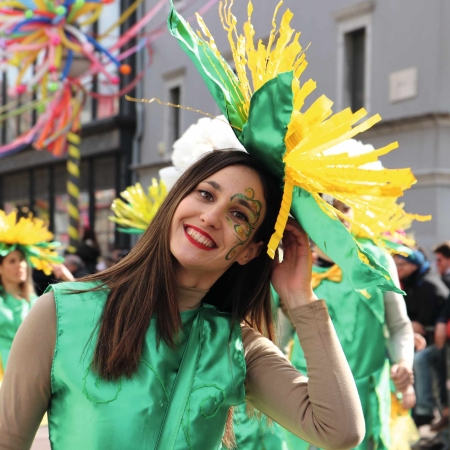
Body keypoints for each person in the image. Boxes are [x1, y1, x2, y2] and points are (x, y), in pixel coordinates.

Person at [0, 151, 365, 449]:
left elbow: (339, 431)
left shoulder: (238, 347)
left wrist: (301, 297)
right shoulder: (61, 313)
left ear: (250, 251)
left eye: (238, 214)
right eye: (206, 194)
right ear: (177, 201)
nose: (210, 217)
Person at [285, 199, 415, 450]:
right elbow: (276, 340)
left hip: (366, 399)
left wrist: (403, 363)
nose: (339, 214)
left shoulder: (376, 260)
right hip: (310, 400)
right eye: (326, 206)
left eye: (344, 205)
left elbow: (399, 325)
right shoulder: (290, 264)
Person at [0, 210, 63, 376]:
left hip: (32, 374)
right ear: (0, 268)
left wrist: (67, 278)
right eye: (12, 261)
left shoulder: (36, 302)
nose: (19, 265)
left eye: (21, 260)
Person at [394, 250, 449, 428]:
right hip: (421, 338)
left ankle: (424, 411)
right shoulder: (411, 282)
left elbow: (429, 316)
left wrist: (424, 325)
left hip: (435, 342)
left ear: (414, 265)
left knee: (419, 359)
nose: (397, 268)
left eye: (401, 264)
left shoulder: (427, 284)